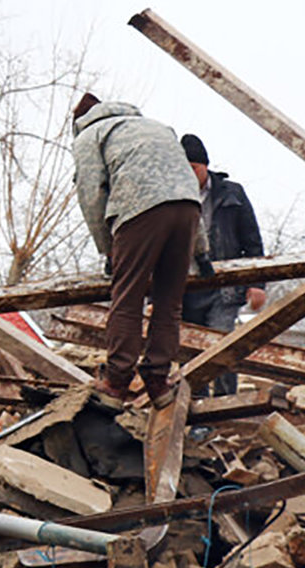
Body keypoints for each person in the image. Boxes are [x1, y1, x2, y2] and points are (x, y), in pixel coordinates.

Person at [71, 93, 201, 409]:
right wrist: (202, 249)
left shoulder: (89, 134)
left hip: (139, 208)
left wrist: (109, 251)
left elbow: (91, 195)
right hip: (189, 208)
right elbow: (185, 183)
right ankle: (158, 380)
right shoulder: (156, 127)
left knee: (128, 296)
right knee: (169, 301)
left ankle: (116, 381)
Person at [179, 134, 266, 398]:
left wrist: (256, 283)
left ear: (205, 166)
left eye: (193, 168)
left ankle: (225, 405)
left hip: (225, 286)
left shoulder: (232, 193)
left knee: (222, 342)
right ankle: (196, 410)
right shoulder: (174, 197)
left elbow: (252, 241)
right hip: (186, 287)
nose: (189, 174)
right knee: (190, 347)